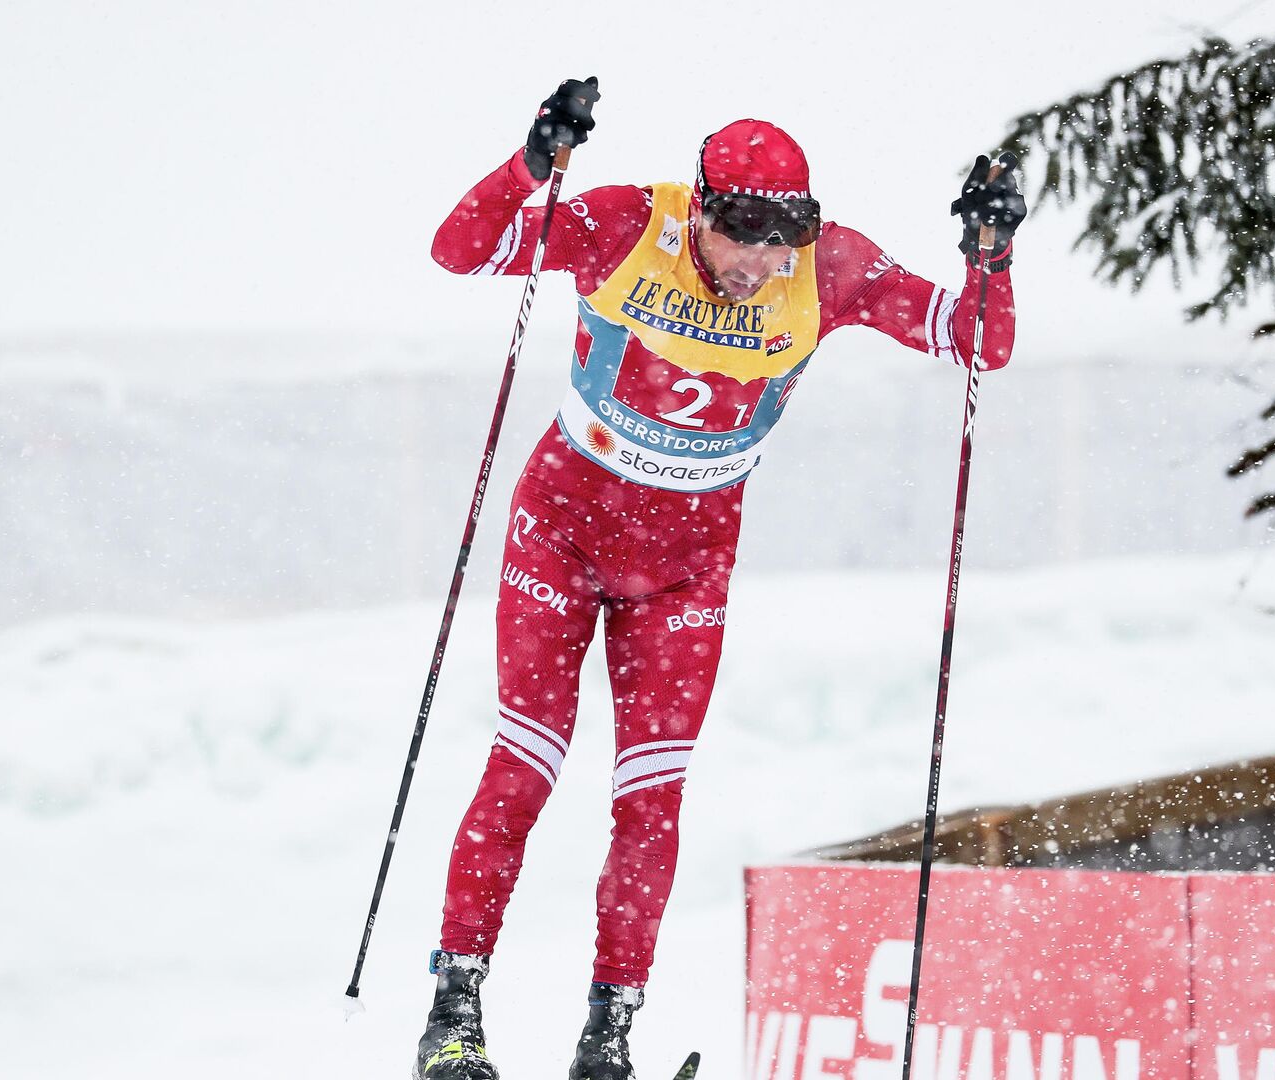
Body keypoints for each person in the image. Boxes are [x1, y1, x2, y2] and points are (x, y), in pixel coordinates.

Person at [417, 76, 1027, 1080]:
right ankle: (453, 1016)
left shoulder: (830, 268)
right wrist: (532, 166)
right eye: (743, 234)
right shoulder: (624, 223)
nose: (763, 263)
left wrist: (991, 254)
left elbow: (976, 343)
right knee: (526, 763)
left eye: (782, 239)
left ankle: (606, 1040)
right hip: (563, 531)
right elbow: (461, 249)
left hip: (688, 562)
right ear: (700, 208)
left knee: (651, 799)